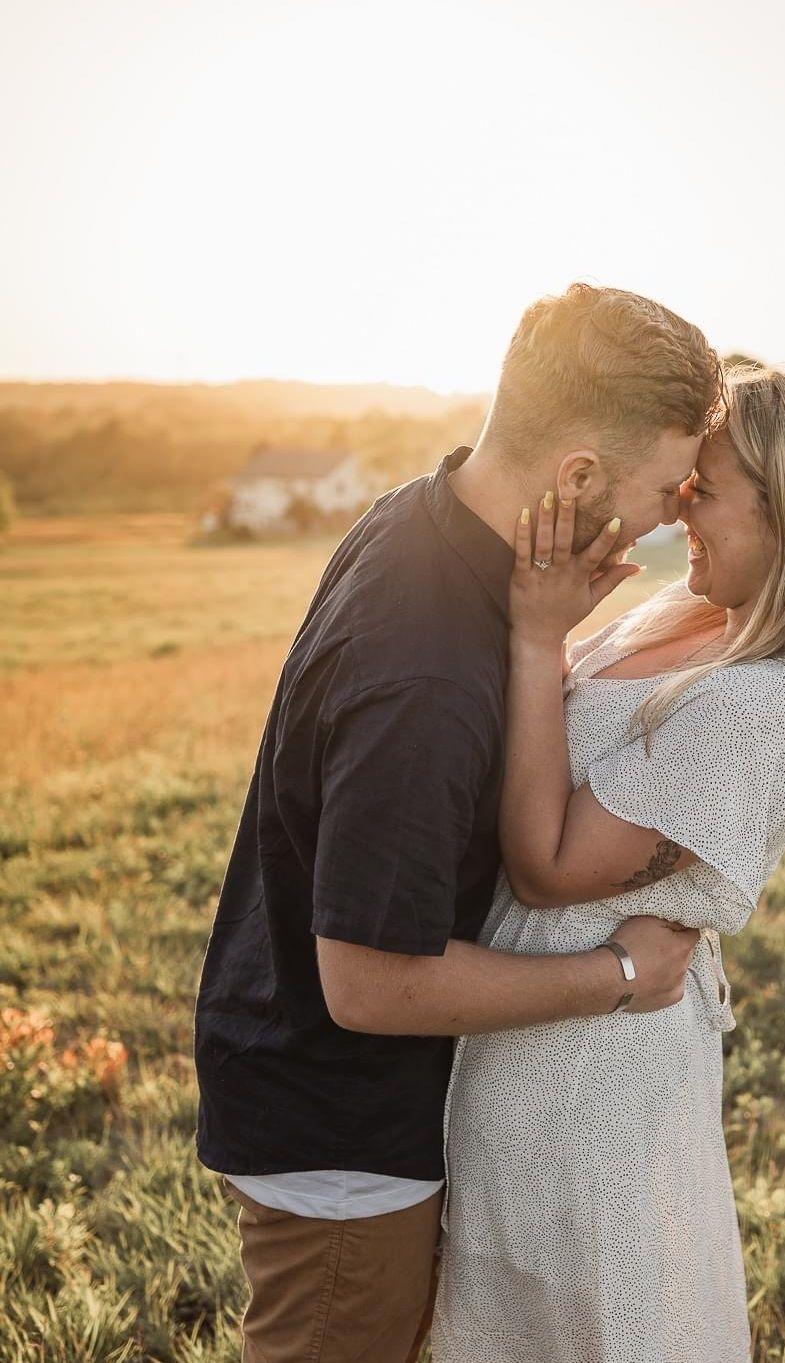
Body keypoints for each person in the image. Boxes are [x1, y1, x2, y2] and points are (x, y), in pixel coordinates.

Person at [192, 282, 726, 1363]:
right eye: (667, 486)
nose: (678, 513)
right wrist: (621, 975)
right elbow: (367, 981)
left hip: (332, 1099)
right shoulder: (425, 672)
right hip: (345, 1142)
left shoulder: (422, 517)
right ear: (577, 475)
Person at [430, 366, 785, 1363]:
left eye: (708, 486)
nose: (680, 508)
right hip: (520, 1032)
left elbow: (549, 864)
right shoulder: (687, 616)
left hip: (586, 1082)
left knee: (593, 1325)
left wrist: (537, 639)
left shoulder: (764, 704)